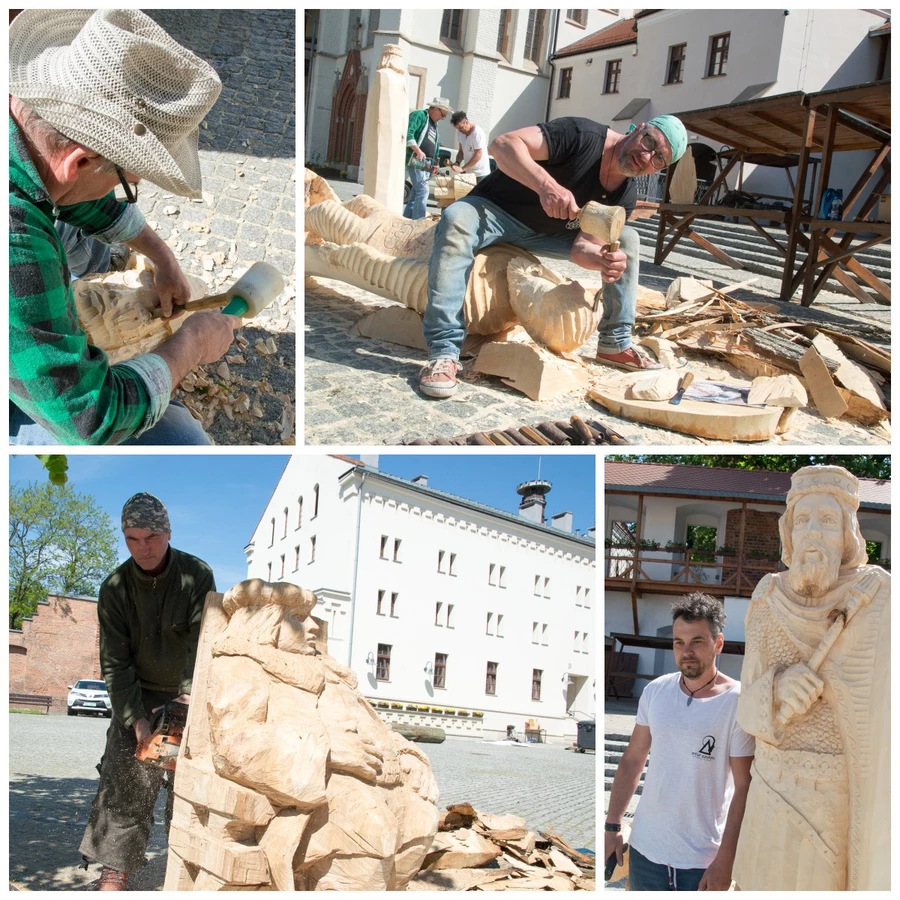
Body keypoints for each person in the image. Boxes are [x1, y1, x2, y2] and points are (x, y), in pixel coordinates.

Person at [9, 9, 239, 446]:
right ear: (80, 160)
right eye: (128, 182)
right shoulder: (15, 241)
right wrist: (190, 346)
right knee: (184, 443)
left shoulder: (22, 125)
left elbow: (66, 193)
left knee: (73, 236)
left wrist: (162, 257)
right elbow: (91, 418)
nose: (126, 190)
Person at [417, 114, 687, 399]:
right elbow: (503, 144)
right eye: (649, 142)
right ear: (639, 129)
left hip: (547, 237)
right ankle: (444, 350)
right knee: (456, 217)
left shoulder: (624, 195)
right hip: (495, 212)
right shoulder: (581, 135)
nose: (645, 157)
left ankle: (615, 344)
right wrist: (546, 185)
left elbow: (581, 248)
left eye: (659, 159)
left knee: (627, 239)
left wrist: (603, 261)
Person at [731, 466, 890, 891]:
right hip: (771, 788)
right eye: (803, 521)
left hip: (833, 799)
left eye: (827, 521)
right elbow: (746, 708)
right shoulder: (766, 597)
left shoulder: (878, 599)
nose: (813, 533)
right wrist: (777, 688)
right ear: (789, 533)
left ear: (847, 534)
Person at [79, 493, 216, 890]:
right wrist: (136, 721)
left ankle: (189, 866)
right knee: (126, 784)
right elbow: (115, 663)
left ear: (168, 533)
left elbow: (202, 642)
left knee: (189, 787)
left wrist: (186, 700)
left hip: (187, 695)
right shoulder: (115, 588)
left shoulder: (196, 575)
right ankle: (115, 868)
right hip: (137, 695)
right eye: (133, 538)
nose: (144, 548)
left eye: (152, 536)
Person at [605, 593, 754, 891]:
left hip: (701, 862)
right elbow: (633, 759)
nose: (686, 651)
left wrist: (726, 859)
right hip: (646, 853)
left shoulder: (738, 702)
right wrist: (612, 825)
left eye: (697, 641)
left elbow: (744, 786)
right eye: (678, 642)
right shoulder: (656, 692)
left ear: (718, 643)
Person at [403, 97, 452, 220]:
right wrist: (418, 151)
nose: (443, 118)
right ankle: (419, 221)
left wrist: (435, 163)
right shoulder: (419, 115)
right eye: (443, 114)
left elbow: (435, 146)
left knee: (416, 193)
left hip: (426, 162)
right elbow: (409, 132)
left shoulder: (434, 125)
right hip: (416, 159)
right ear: (435, 109)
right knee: (423, 190)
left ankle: (407, 219)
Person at [449, 111, 491, 183]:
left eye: (461, 128)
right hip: (469, 173)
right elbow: (461, 151)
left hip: (481, 174)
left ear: (466, 122)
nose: (460, 131)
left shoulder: (477, 133)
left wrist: (463, 169)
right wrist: (457, 162)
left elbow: (478, 155)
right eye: (458, 129)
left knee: (478, 194)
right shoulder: (460, 133)